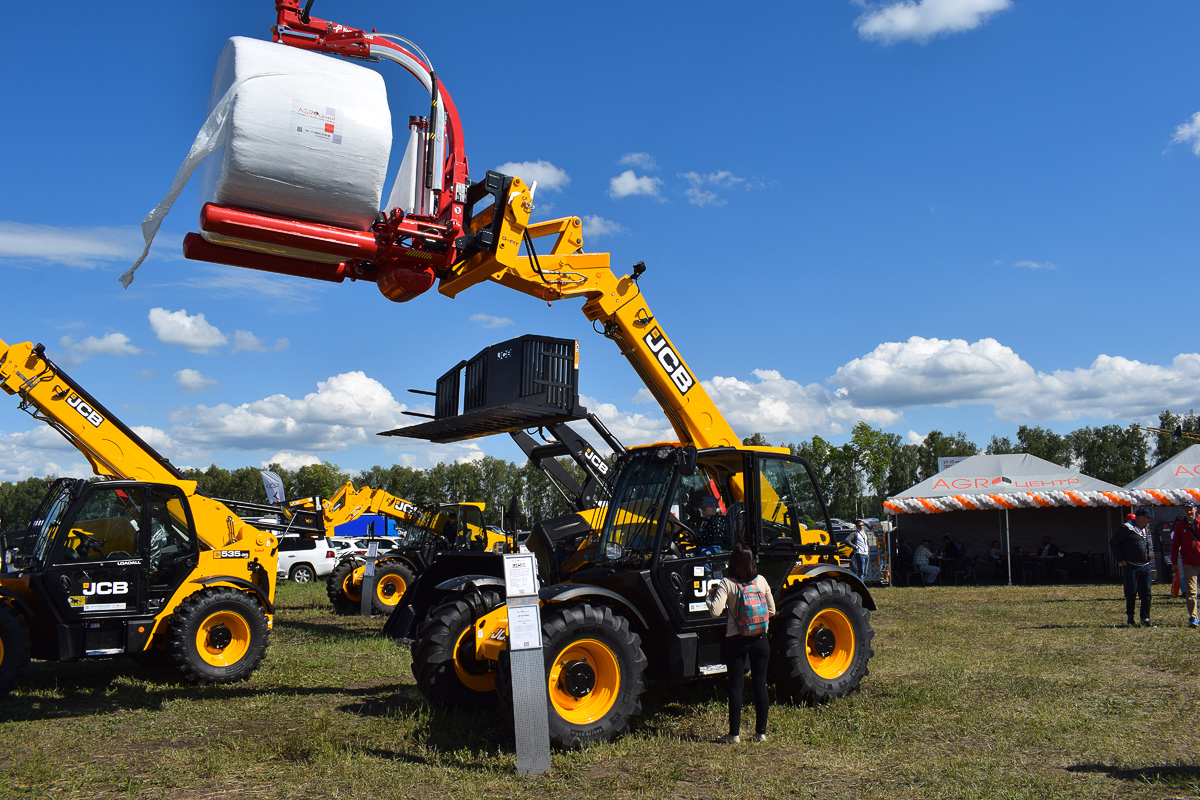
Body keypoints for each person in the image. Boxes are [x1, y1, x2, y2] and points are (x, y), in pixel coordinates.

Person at [706, 543, 776, 743]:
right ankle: (761, 733)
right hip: (761, 640)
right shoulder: (761, 581)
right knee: (759, 685)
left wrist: (709, 597)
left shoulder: (727, 583)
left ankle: (734, 734)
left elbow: (715, 611)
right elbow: (771, 610)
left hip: (737, 641)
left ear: (732, 563)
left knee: (736, 687)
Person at [1112, 508, 1155, 627]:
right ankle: (1130, 618)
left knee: (1146, 592)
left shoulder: (1145, 529)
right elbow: (1114, 543)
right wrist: (1120, 559)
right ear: (1140, 517)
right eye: (1148, 518)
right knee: (1131, 592)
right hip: (1132, 566)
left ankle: (1145, 618)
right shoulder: (1126, 529)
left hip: (1145, 565)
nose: (1149, 520)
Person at [1171, 501, 1200, 628]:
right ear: (1183, 511)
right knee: (1191, 592)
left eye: (1191, 509)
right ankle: (1193, 617)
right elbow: (1176, 544)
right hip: (1189, 563)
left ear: (1195, 509)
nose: (1189, 512)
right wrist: (1174, 562)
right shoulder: (1180, 525)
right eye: (1186, 510)